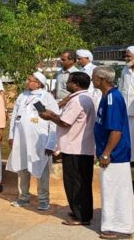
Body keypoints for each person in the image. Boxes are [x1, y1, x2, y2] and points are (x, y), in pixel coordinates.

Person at [39, 72, 96, 226]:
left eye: (69, 82)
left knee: (75, 182)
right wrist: (53, 114)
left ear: (76, 84)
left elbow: (65, 123)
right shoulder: (86, 97)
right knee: (82, 182)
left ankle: (81, 216)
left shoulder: (77, 100)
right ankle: (82, 211)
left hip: (75, 147)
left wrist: (50, 117)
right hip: (82, 146)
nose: (66, 84)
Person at [92, 66, 134, 239]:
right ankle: (116, 224)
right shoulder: (106, 97)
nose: (92, 79)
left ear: (102, 79)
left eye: (94, 77)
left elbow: (116, 130)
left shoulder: (113, 98)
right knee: (112, 189)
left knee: (116, 191)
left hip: (115, 155)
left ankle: (120, 227)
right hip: (110, 153)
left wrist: (106, 153)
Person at [6, 72, 59, 211]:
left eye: (30, 80)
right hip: (21, 139)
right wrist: (11, 136)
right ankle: (24, 197)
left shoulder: (47, 97)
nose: (27, 82)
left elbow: (54, 121)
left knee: (41, 171)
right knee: (22, 168)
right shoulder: (22, 96)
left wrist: (51, 143)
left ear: (39, 83)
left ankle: (43, 200)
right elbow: (15, 117)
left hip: (40, 140)